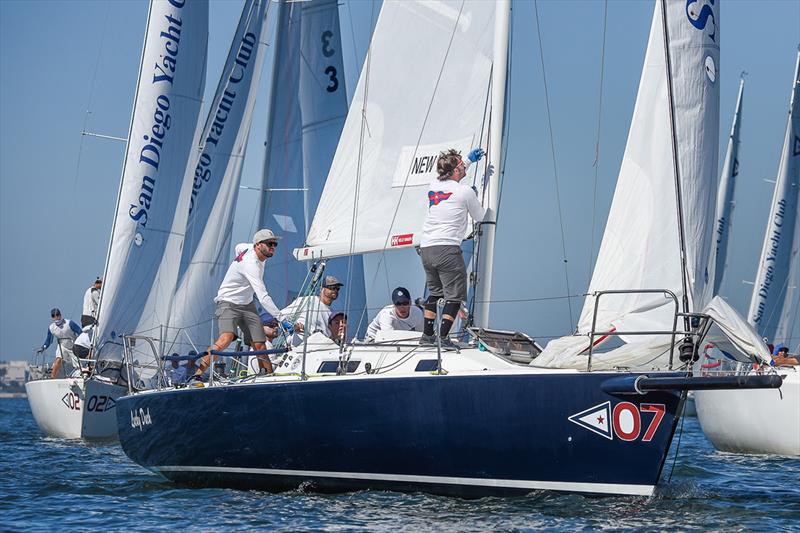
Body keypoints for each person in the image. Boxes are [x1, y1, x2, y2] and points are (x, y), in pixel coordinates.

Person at [194, 229, 292, 378]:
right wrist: (282, 319)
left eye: (275, 244)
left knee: (259, 342)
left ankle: (267, 376)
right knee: (226, 338)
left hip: (247, 304)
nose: (273, 247)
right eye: (270, 243)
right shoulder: (251, 265)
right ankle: (197, 374)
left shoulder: (246, 247)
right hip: (228, 302)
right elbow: (263, 297)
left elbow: (238, 247)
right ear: (258, 245)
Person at [418, 147, 486, 350]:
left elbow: (456, 169)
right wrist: (476, 195)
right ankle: (444, 337)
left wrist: (469, 160)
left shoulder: (434, 185)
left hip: (427, 248)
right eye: (462, 165)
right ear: (456, 170)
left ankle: (427, 336)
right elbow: (480, 216)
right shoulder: (464, 191)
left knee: (435, 293)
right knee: (454, 296)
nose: (464, 167)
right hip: (447, 248)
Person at [280, 275, 342, 346]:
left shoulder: (332, 314)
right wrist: (293, 326)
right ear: (322, 289)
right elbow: (281, 316)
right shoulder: (307, 301)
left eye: (338, 288)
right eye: (332, 288)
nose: (335, 290)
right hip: (299, 350)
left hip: (321, 351)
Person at [37, 308, 82, 378]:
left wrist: (81, 344)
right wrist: (43, 348)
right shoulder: (51, 328)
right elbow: (49, 340)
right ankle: (52, 377)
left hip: (74, 347)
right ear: (52, 317)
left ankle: (81, 377)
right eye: (53, 316)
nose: (56, 317)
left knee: (79, 366)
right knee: (58, 360)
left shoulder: (69, 323)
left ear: (60, 315)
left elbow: (80, 332)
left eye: (57, 315)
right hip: (62, 347)